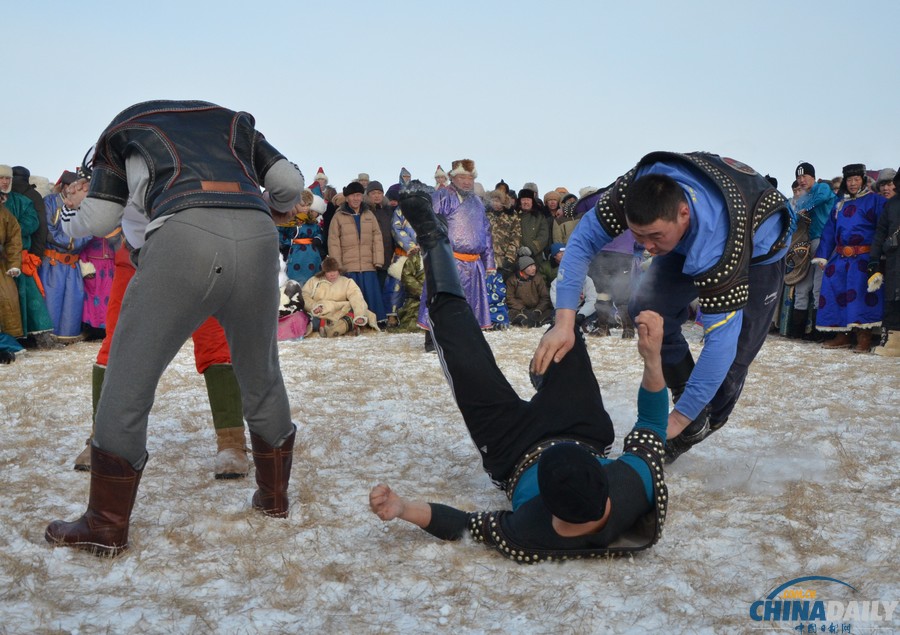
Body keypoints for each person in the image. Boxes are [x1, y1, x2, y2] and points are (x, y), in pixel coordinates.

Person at [45, 100, 303, 556]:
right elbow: (288, 183)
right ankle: (274, 498)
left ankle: (105, 525)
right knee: (261, 370)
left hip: (183, 236)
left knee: (129, 376)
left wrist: (71, 218)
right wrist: (277, 209)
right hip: (258, 235)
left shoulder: (123, 132)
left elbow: (102, 219)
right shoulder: (235, 125)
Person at [369, 184, 669, 563]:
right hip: (581, 429)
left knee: (462, 347)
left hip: (512, 450)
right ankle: (547, 376)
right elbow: (653, 424)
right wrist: (652, 359)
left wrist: (402, 508)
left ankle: (433, 238)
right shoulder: (632, 487)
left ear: (545, 502)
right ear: (605, 476)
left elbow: (466, 524)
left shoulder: (528, 531)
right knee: (567, 337)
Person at [534, 152, 791, 463]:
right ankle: (684, 387)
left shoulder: (716, 241)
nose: (647, 247)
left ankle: (698, 422)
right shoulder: (628, 193)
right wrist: (564, 321)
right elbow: (579, 244)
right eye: (638, 236)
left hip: (760, 251)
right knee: (648, 309)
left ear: (683, 213)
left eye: (654, 236)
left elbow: (720, 341)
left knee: (732, 358)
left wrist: (679, 419)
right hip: (691, 228)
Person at [416, 160, 495, 351]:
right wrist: (433, 254)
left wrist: (489, 261)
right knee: (441, 299)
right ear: (452, 177)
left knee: (471, 304)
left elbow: (485, 231)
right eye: (462, 177)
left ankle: (466, 340)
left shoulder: (477, 202)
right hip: (448, 259)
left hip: (474, 262)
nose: (467, 182)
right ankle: (432, 341)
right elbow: (431, 224)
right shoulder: (442, 196)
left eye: (470, 178)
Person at [812, 163, 886, 352]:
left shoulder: (875, 201)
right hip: (840, 257)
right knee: (835, 292)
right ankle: (842, 334)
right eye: (849, 180)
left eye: (856, 179)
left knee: (861, 295)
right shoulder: (839, 204)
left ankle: (864, 337)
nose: (852, 184)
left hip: (863, 256)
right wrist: (823, 256)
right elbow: (829, 231)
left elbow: (882, 228)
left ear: (863, 180)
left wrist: (878, 255)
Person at [785, 162, 836, 340]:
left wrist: (804, 207)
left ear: (813, 177)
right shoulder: (803, 197)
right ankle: (797, 330)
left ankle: (818, 331)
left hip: (825, 241)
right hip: (807, 243)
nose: (801, 180)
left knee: (818, 287)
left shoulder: (821, 188)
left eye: (804, 176)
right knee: (802, 285)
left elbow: (819, 199)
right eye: (798, 177)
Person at [327, 181, 386, 322]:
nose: (356, 199)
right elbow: (333, 241)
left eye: (359, 195)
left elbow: (377, 238)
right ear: (347, 198)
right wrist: (337, 265)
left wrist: (378, 260)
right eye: (353, 196)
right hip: (349, 266)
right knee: (352, 297)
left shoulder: (369, 215)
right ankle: (351, 322)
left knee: (371, 295)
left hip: (368, 265)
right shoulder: (338, 216)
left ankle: (376, 321)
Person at [301, 256, 378, 337]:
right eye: (329, 271)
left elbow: (357, 297)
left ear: (339, 271)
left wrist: (359, 314)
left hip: (341, 311)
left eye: (335, 271)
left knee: (352, 314)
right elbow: (304, 295)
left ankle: (336, 329)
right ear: (324, 272)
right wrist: (314, 306)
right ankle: (339, 329)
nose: (332, 274)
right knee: (310, 320)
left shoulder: (347, 282)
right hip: (321, 312)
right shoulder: (314, 281)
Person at [868, 167, 900, 355]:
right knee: (894, 298)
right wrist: (873, 258)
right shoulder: (892, 205)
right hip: (895, 259)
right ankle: (894, 343)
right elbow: (880, 233)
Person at [506, 252, 553, 327]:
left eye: (534, 265)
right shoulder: (512, 280)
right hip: (519, 309)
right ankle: (523, 320)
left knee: (549, 313)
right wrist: (522, 308)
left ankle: (534, 321)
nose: (534, 268)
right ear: (523, 268)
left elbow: (545, 297)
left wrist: (538, 310)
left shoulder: (538, 278)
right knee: (512, 314)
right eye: (530, 266)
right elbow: (509, 298)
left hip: (536, 308)